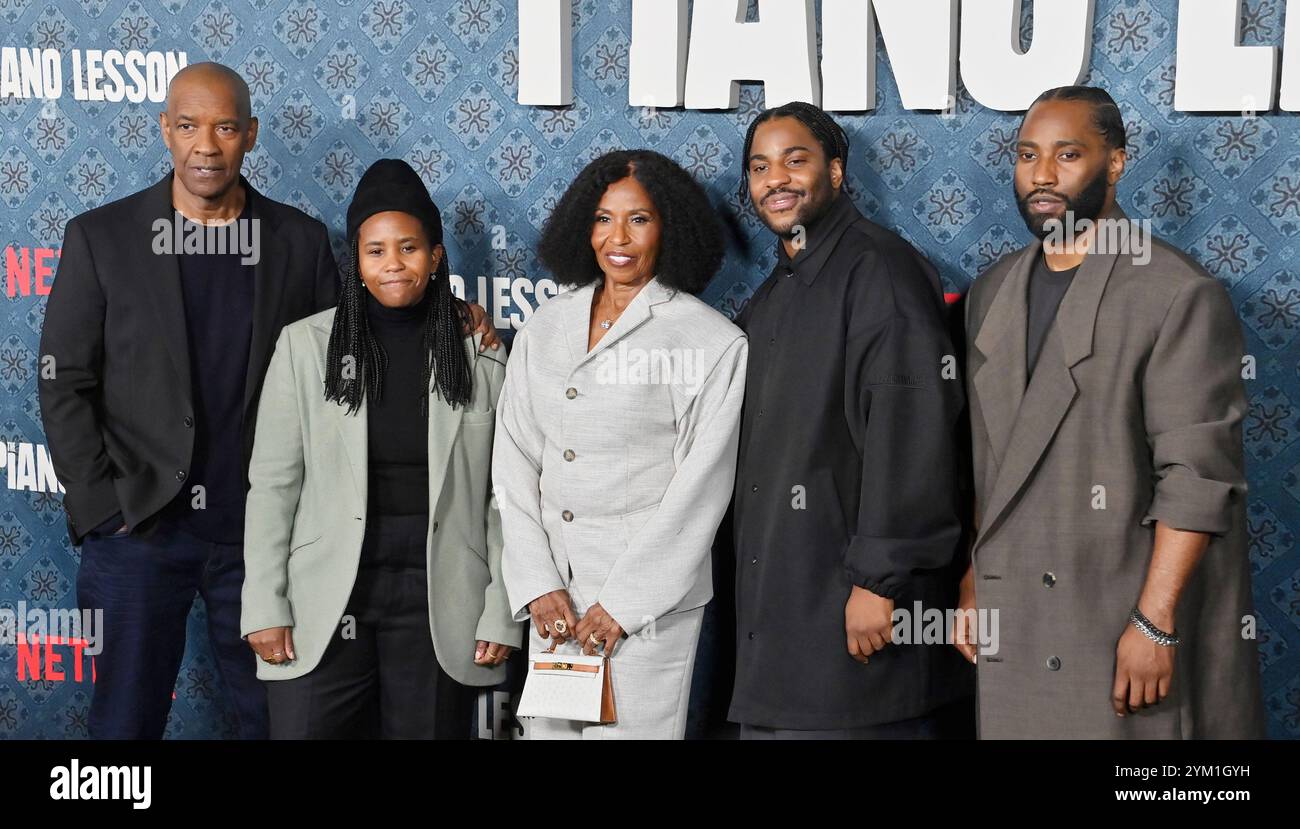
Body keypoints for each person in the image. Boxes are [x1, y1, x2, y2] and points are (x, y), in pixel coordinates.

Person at [37, 62, 339, 740]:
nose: (207, 145)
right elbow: (64, 380)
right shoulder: (102, 237)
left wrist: (451, 317)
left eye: (225, 127)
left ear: (251, 135)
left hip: (263, 537)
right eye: (189, 126)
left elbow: (338, 377)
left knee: (277, 722)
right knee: (122, 727)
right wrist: (100, 505)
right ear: (165, 132)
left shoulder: (299, 241)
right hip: (138, 531)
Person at [955, 86, 1266, 738]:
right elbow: (991, 459)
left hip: (1118, 613)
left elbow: (1197, 479)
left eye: (1067, 154)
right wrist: (975, 579)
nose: (1042, 176)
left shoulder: (1176, 292)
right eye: (1027, 155)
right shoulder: (992, 291)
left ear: (1116, 163)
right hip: (1017, 619)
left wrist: (1155, 620)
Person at [240, 159, 518, 739]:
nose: (393, 263)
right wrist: (264, 602)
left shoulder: (480, 351)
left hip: (438, 596)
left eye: (410, 247)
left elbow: (503, 498)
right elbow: (272, 485)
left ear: (436, 257)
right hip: (326, 592)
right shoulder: (305, 346)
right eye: (375, 250)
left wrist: (499, 609)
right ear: (357, 263)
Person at [727, 102, 973, 738]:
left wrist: (879, 582)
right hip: (783, 628)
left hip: (857, 626)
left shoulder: (880, 271)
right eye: (759, 166)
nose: (775, 178)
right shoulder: (778, 288)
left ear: (836, 172)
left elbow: (912, 434)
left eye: (795, 160)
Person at [494, 150, 747, 739]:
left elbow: (700, 493)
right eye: (604, 218)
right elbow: (513, 459)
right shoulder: (545, 326)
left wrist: (626, 605)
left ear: (670, 227)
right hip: (555, 600)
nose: (618, 237)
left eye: (640, 218)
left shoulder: (710, 341)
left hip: (643, 611)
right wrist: (537, 582)